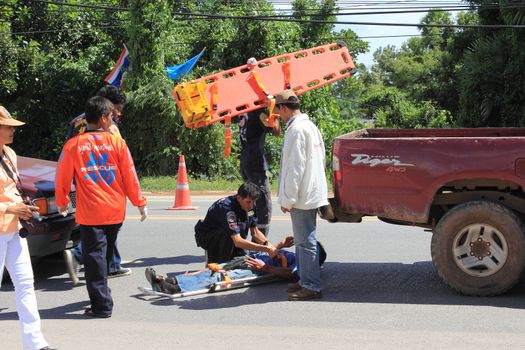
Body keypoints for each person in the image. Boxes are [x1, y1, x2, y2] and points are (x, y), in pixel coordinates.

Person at [55, 96, 147, 318]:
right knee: (103, 255)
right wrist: (139, 203)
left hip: (91, 213)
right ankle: (102, 292)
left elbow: (62, 178)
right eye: (112, 116)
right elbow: (130, 176)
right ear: (104, 118)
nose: (113, 119)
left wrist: (62, 202)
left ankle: (101, 305)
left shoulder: (74, 145)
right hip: (115, 211)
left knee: (95, 257)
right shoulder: (117, 143)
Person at [0, 106, 56, 350]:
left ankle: (35, 343)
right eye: (7, 126)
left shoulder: (9, 154)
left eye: (13, 126)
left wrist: (23, 205)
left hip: (14, 229)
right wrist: (13, 209)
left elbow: (10, 190)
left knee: (25, 284)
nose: (12, 130)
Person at [64, 85, 130, 286]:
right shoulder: (107, 125)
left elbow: (67, 151)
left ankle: (111, 265)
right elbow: (119, 157)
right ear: (107, 107)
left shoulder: (77, 120)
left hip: (79, 183)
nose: (118, 113)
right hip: (103, 184)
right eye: (117, 108)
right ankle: (79, 254)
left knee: (92, 227)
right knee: (105, 226)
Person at [274, 90, 328, 301]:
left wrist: (288, 199)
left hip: (302, 196)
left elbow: (295, 168)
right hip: (311, 192)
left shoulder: (297, 130)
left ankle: (311, 286)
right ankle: (306, 278)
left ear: (284, 108)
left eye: (279, 111)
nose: (279, 115)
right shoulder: (310, 126)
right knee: (304, 241)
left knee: (305, 242)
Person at [146, 236, 298, 294]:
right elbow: (272, 254)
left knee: (219, 276)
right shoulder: (294, 254)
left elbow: (288, 274)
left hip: (259, 270)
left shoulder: (301, 263)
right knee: (214, 268)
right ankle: (170, 281)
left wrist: (265, 268)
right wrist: (279, 245)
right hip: (249, 259)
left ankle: (173, 288)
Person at [194, 182, 279, 264]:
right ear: (239, 198)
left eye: (253, 201)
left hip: (234, 238)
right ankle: (216, 263)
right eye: (249, 202)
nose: (251, 206)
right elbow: (238, 241)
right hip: (211, 237)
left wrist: (270, 246)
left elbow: (255, 232)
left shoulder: (251, 207)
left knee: (243, 260)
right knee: (224, 259)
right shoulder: (227, 208)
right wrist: (266, 249)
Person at [238, 108, 280, 236]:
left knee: (250, 201)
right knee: (263, 205)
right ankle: (259, 241)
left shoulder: (241, 110)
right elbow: (276, 131)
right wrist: (275, 113)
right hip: (256, 165)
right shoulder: (258, 112)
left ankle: (249, 235)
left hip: (246, 163)